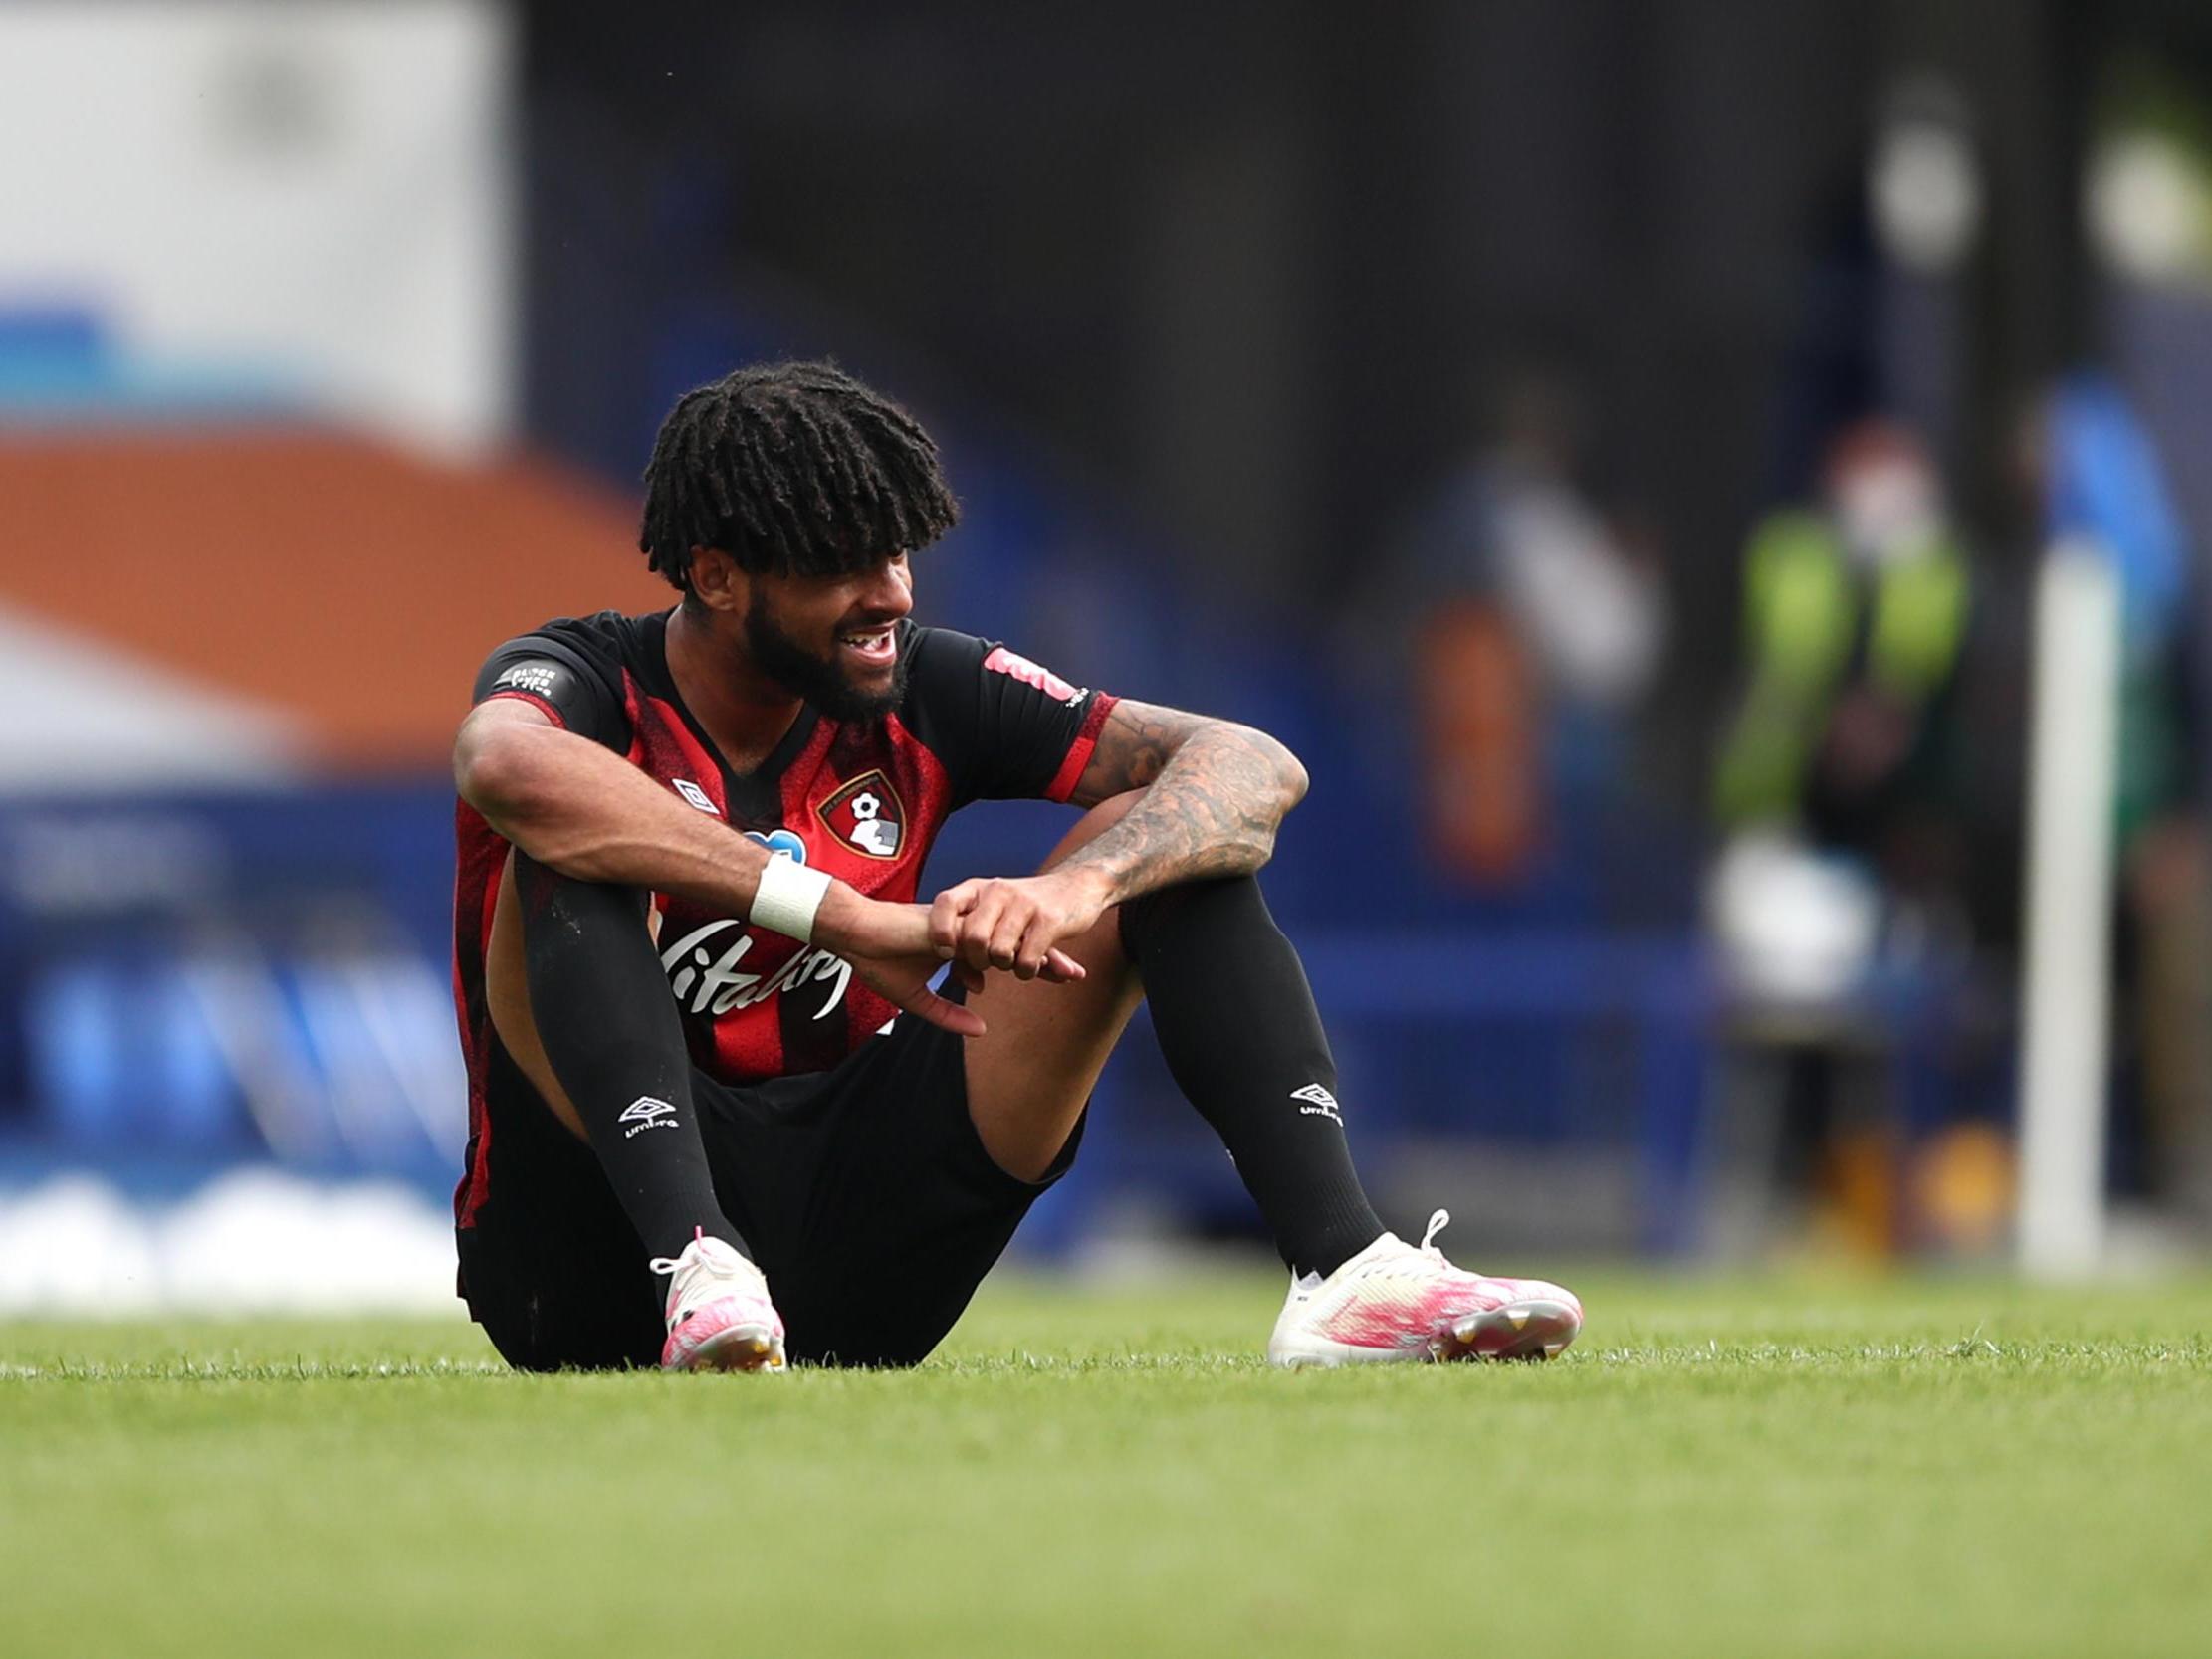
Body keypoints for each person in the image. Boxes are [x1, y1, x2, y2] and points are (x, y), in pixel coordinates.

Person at [449, 360, 1583, 1371]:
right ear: (716, 575)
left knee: (1168, 837)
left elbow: (1248, 760)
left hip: (858, 1254)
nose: (889, 593)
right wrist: (840, 915)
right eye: (839, 562)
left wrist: (1078, 887)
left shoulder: (925, 685)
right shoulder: (583, 676)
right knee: (568, 835)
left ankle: (1349, 1272)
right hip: (589, 1272)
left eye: (895, 552)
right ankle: (697, 1256)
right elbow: (503, 764)